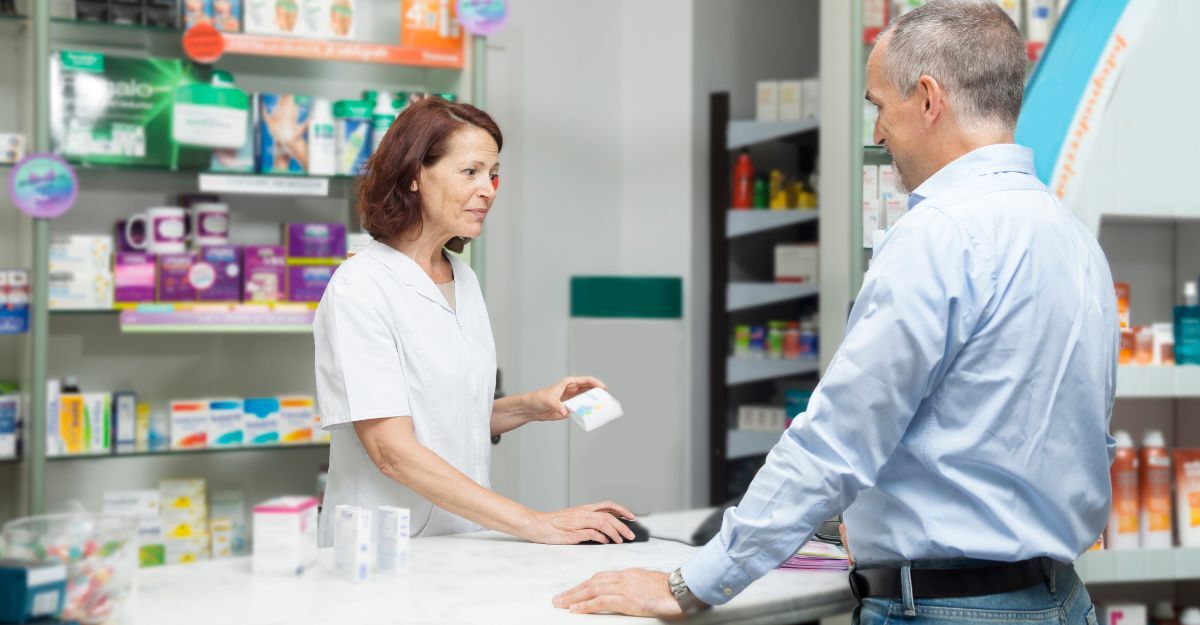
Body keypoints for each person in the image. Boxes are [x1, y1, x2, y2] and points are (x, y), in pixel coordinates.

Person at [554, 1, 1117, 621]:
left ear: (928, 99)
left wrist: (690, 584)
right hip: (1060, 600)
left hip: (949, 609)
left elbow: (837, 441)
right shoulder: (1072, 237)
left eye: (879, 105)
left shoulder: (939, 233)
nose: (877, 132)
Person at [313, 97, 638, 547]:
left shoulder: (462, 278)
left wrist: (530, 406)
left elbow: (446, 416)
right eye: (470, 172)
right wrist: (534, 522)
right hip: (383, 547)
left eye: (493, 174)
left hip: (462, 539)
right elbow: (391, 451)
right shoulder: (360, 288)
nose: (488, 189)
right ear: (413, 176)